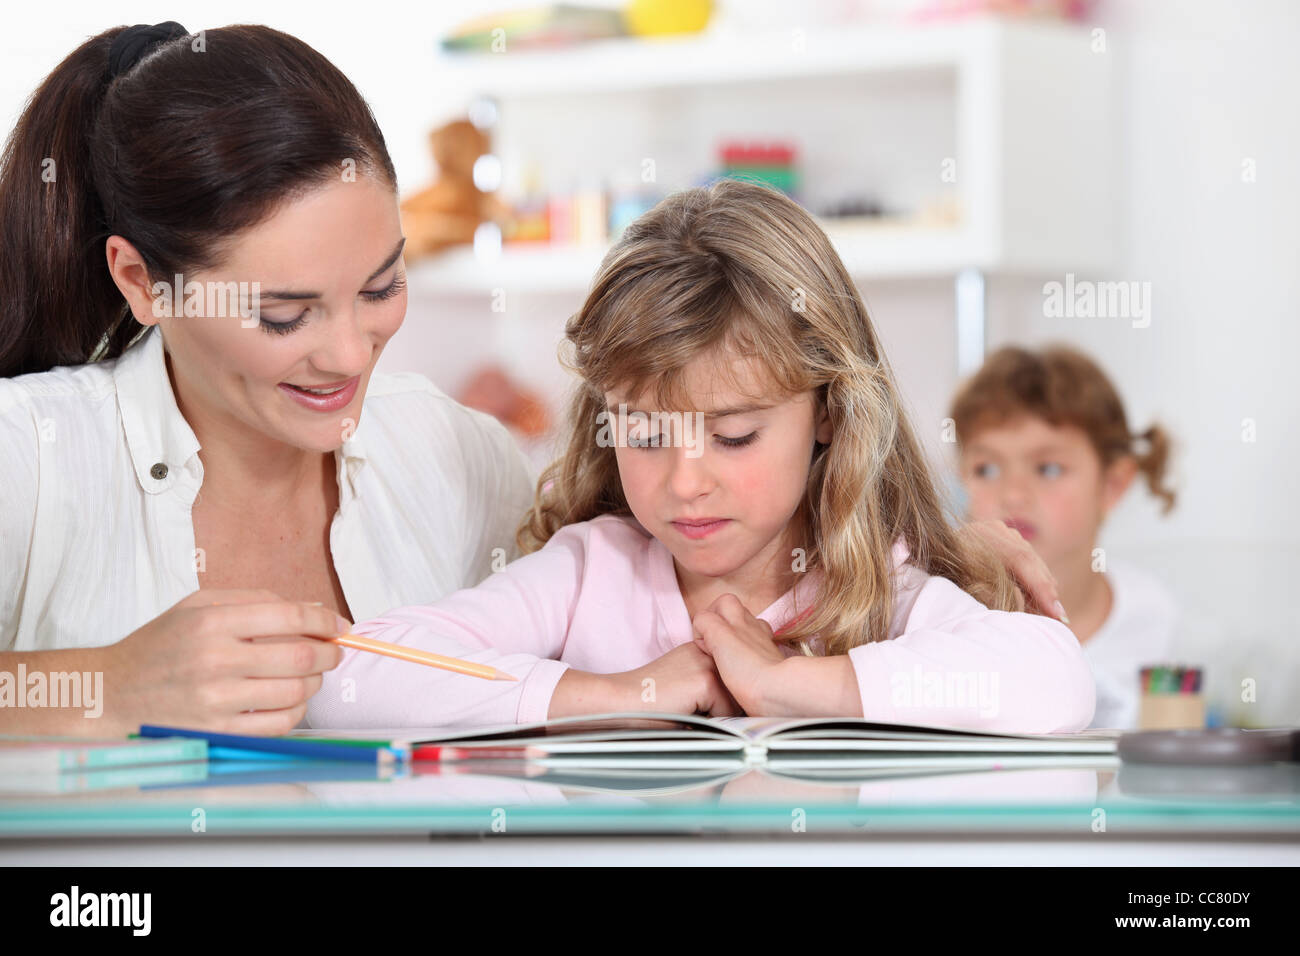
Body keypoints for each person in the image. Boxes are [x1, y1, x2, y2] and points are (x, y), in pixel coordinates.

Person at [0, 23, 1063, 737]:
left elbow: (642, 520)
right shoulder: (30, 456)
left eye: (380, 285)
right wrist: (100, 685)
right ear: (143, 282)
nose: (349, 353)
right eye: (285, 314)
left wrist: (916, 534)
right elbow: (383, 669)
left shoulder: (444, 450)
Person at [307, 180, 1094, 734]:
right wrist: (621, 692)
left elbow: (1054, 679)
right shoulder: (589, 573)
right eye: (645, 436)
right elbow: (349, 681)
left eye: (735, 436)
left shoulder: (873, 587)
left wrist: (791, 686)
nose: (685, 482)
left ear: (827, 413)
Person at [949, 344, 1180, 728]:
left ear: (1113, 484)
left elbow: (1174, 769)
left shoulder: (1156, 620)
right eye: (986, 470)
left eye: (1049, 469)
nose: (1013, 494)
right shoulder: (949, 618)